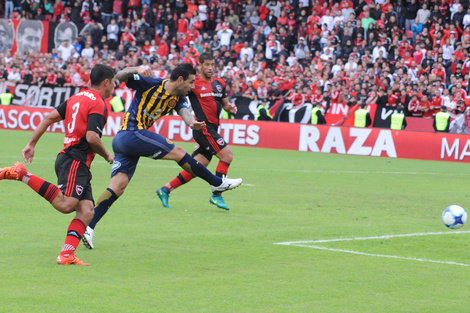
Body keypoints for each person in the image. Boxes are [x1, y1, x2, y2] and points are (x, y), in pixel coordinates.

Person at [82, 63, 242, 249]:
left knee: (117, 187)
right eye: (190, 82)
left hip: (126, 142)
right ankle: (216, 182)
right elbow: (119, 75)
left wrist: (192, 123)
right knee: (178, 152)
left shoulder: (179, 99)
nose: (192, 87)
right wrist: (137, 69)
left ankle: (88, 227)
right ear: (180, 79)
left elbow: (186, 115)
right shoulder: (150, 82)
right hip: (131, 133)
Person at [0, 64, 116, 265]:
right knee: (66, 204)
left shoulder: (76, 98)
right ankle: (21, 174)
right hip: (75, 158)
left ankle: (66, 255)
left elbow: (48, 117)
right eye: (114, 82)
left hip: (76, 160)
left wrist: (31, 144)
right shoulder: (98, 103)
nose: (115, 86)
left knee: (87, 210)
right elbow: (92, 137)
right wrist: (107, 155)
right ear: (106, 82)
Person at [155, 53, 238, 210]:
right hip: (203, 128)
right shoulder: (194, 84)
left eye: (212, 64)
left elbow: (225, 104)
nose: (210, 68)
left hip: (212, 129)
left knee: (197, 167)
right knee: (227, 156)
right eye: (206, 64)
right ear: (200, 66)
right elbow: (178, 90)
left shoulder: (220, 83)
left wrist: (230, 107)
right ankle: (217, 194)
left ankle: (165, 190)